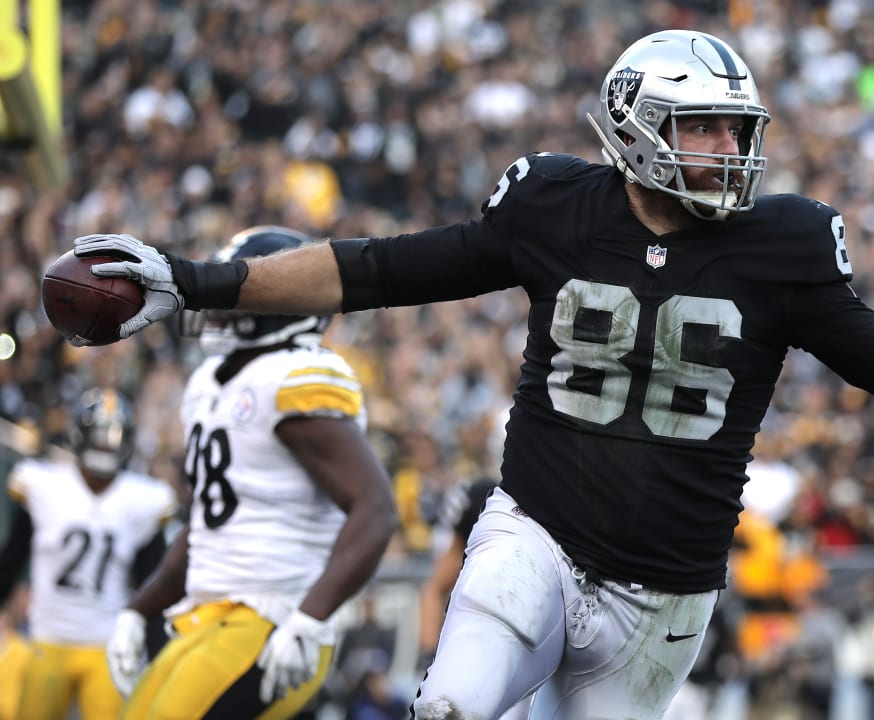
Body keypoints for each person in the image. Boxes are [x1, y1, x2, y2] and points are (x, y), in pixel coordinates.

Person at [71, 29, 874, 720]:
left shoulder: (780, 246)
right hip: (532, 534)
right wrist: (195, 283)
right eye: (708, 132)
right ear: (635, 127)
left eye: (738, 130)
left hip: (664, 601)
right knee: (450, 705)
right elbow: (374, 268)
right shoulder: (552, 207)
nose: (731, 152)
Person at [101, 227, 397, 719]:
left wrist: (310, 619)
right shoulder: (208, 386)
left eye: (241, 292)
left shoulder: (291, 377)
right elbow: (206, 528)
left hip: (274, 618)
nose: (220, 306)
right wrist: (139, 608)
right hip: (208, 614)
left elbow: (376, 509)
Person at [0, 387, 178, 720]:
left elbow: (151, 580)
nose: (105, 448)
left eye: (111, 439)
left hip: (105, 644)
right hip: (48, 638)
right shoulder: (45, 485)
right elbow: (12, 558)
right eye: (99, 439)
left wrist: (155, 650)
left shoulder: (141, 499)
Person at [415, 477, 532, 718]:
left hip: (533, 648)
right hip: (479, 639)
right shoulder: (486, 496)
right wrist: (429, 655)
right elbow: (435, 589)